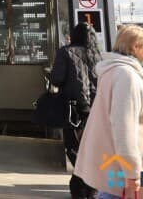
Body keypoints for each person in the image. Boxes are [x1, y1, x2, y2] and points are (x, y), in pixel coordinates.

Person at [74, 26, 143, 199]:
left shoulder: (113, 72)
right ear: (135, 47)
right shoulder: (126, 76)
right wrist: (132, 173)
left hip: (116, 167)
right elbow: (124, 128)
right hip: (129, 171)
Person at [51, 22, 98, 199]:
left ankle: (80, 183)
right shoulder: (98, 55)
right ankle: (89, 184)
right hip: (95, 108)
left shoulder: (65, 52)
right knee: (92, 147)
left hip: (72, 107)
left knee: (73, 146)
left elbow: (57, 79)